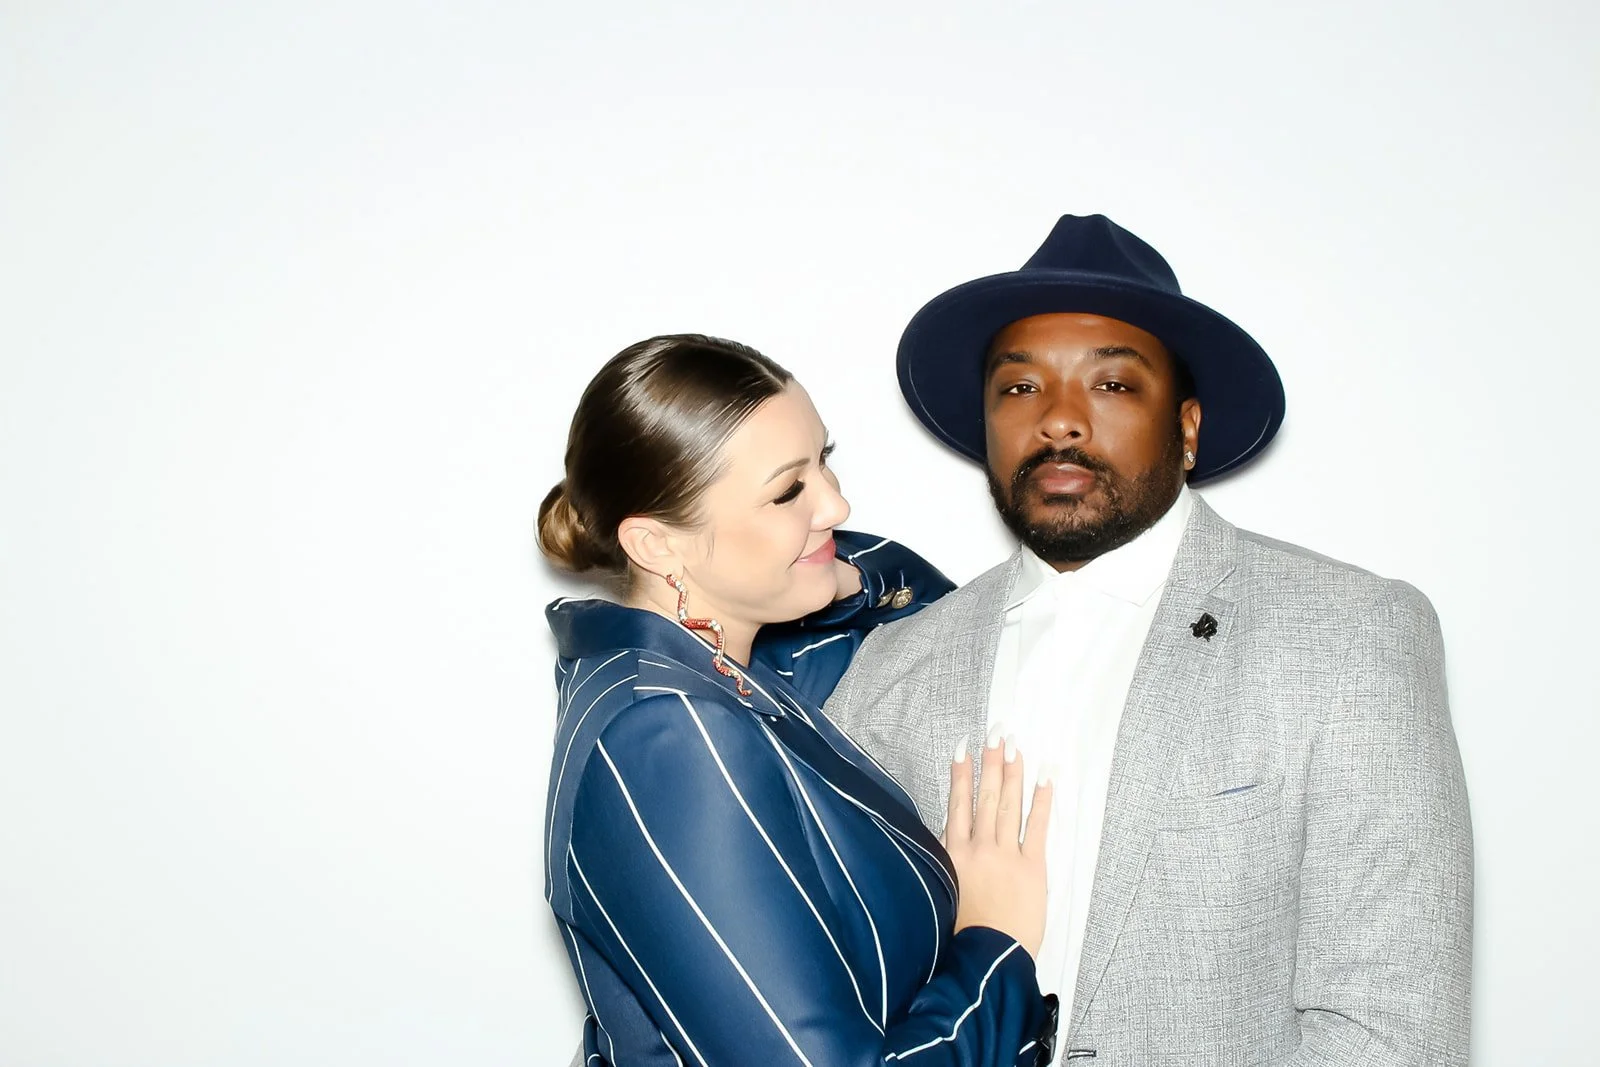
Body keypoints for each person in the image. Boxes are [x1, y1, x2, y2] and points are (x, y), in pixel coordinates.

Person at [826, 215, 1474, 1065]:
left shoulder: (1350, 636)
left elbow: (1395, 1026)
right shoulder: (890, 669)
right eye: (1019, 389)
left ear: (1190, 427)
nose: (1058, 421)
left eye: (1112, 386)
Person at [537, 334, 1061, 1065]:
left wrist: (853, 579)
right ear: (657, 546)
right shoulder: (668, 734)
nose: (837, 503)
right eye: (788, 490)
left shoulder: (740, 674)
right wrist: (993, 946)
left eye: (827, 460)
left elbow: (939, 615)